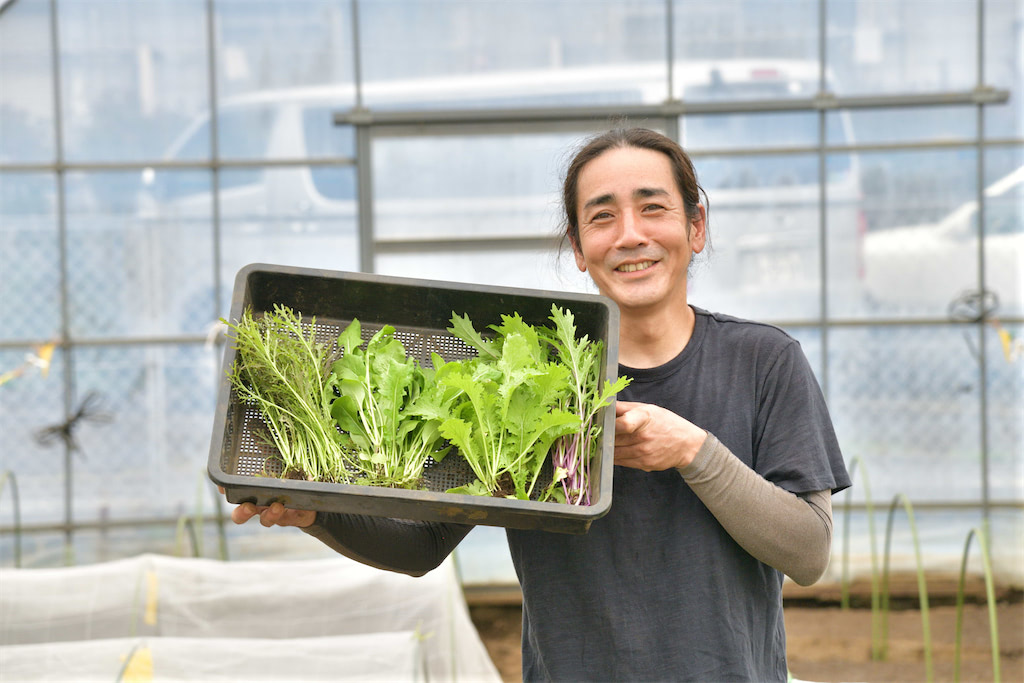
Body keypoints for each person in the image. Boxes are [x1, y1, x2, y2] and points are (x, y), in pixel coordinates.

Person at [227, 127, 851, 681]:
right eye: (602, 217)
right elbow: (421, 548)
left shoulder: (763, 361)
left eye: (653, 208)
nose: (630, 235)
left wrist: (693, 451)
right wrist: (320, 514)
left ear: (696, 227)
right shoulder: (524, 375)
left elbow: (807, 552)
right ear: (578, 248)